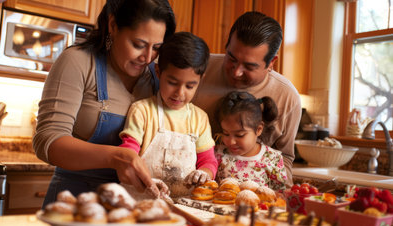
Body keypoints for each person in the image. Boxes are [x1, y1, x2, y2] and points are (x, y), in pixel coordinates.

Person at [33, 0, 176, 208]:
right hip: (74, 204)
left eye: (157, 48)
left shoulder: (158, 79)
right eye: (138, 44)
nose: (147, 58)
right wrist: (115, 157)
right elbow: (47, 140)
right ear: (113, 26)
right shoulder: (78, 62)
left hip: (134, 208)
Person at [193, 11, 301, 187]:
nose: (236, 72)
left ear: (271, 62)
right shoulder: (198, 69)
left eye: (250, 66)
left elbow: (285, 157)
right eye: (231, 58)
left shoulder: (287, 97)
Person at [119, 32, 217, 197]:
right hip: (141, 199)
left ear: (200, 80)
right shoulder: (142, 111)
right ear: (158, 72)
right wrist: (144, 179)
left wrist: (204, 174)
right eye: (172, 82)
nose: (179, 93)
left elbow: (208, 161)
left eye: (190, 86)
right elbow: (128, 155)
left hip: (184, 205)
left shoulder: (200, 119)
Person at [215, 91, 287, 190]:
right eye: (226, 133)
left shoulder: (273, 159)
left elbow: (279, 195)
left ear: (258, 129)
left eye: (239, 135)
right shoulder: (218, 154)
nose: (231, 142)